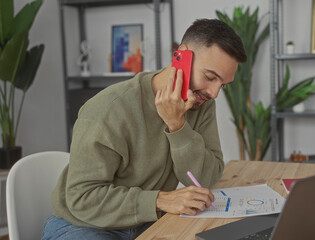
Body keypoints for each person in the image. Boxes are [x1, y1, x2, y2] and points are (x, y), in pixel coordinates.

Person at [42, 18, 247, 239]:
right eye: (210, 77)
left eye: (222, 84)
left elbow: (205, 178)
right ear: (181, 56)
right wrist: (160, 200)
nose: (214, 92)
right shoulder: (108, 110)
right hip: (84, 225)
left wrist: (178, 127)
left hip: (148, 221)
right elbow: (82, 198)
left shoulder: (202, 104)